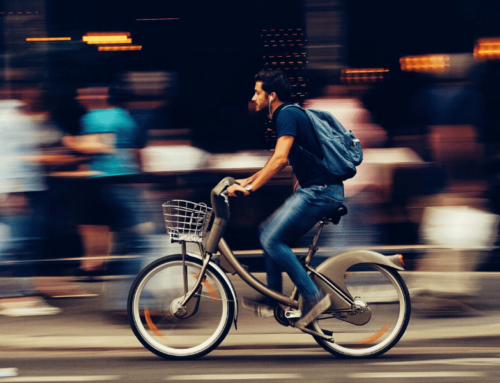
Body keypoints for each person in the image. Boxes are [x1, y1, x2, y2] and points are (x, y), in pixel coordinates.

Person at [227, 70, 344, 328]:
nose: (254, 97)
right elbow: (279, 163)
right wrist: (247, 180)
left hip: (320, 191)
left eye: (257, 92)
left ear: (272, 96)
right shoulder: (288, 113)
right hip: (316, 190)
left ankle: (313, 297)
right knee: (266, 230)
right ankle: (274, 298)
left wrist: (251, 189)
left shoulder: (286, 114)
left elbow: (279, 158)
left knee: (271, 238)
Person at [62, 86, 151, 311]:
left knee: (99, 224)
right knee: (127, 232)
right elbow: (136, 150)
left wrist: (69, 142)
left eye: (84, 94)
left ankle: (95, 267)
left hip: (103, 179)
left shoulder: (93, 117)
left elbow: (97, 146)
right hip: (126, 178)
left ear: (99, 97)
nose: (79, 97)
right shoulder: (125, 116)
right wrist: (140, 175)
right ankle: (97, 267)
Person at [0, 99, 60, 316]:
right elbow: (7, 158)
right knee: (15, 245)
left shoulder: (17, 118)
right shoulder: (9, 119)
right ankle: (16, 297)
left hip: (26, 189)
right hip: (17, 190)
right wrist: (12, 190)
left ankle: (23, 295)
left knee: (23, 244)